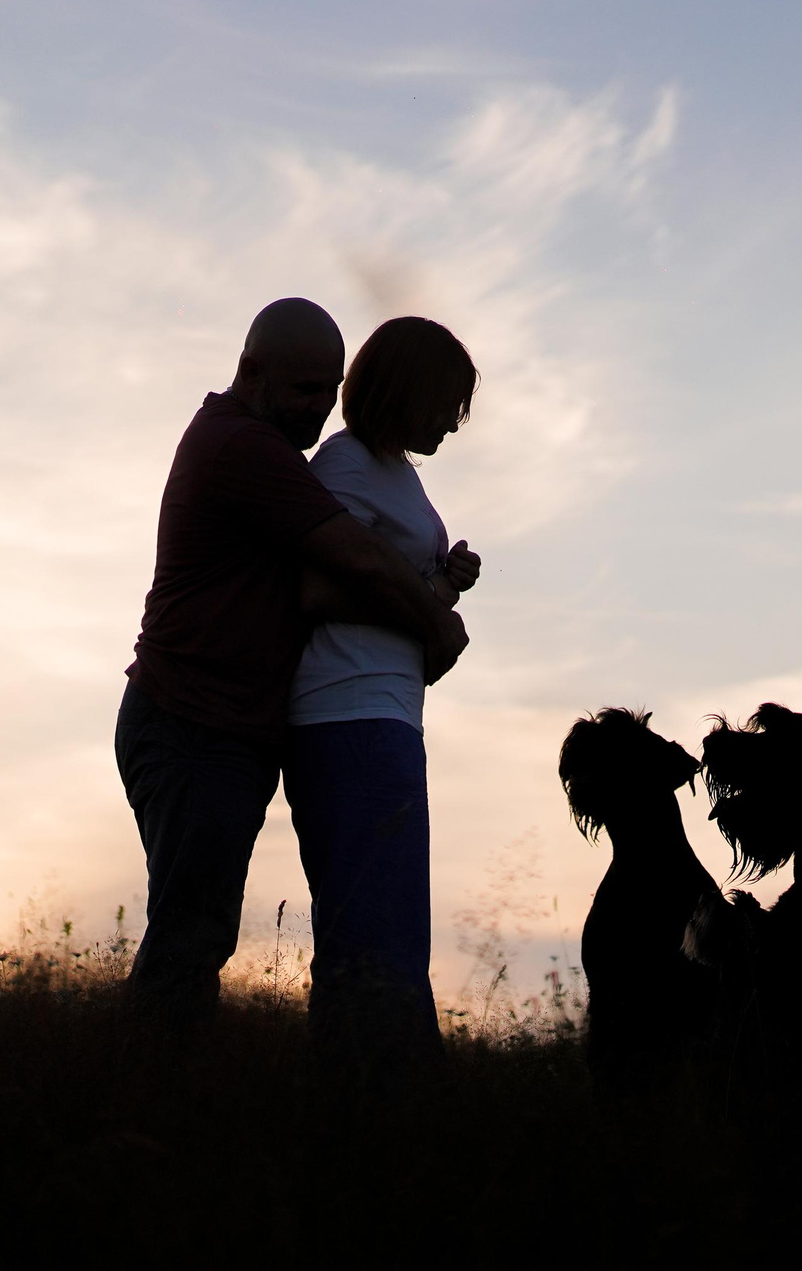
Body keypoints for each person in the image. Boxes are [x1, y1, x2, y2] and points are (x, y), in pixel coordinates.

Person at [115, 298, 468, 1023]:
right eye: (305, 390)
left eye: (329, 390)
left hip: (226, 728)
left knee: (197, 932)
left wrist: (432, 596)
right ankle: (143, 1106)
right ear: (251, 370)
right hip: (191, 723)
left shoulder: (266, 448)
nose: (319, 410)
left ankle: (158, 1097)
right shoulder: (244, 447)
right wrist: (436, 618)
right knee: (189, 937)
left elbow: (359, 564)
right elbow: (351, 559)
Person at [284, 317, 482, 1076]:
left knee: (393, 930)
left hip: (387, 714)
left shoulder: (395, 469)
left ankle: (385, 1104)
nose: (452, 423)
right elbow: (315, 585)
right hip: (347, 712)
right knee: (372, 934)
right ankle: (371, 1107)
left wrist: (440, 585)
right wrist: (430, 612)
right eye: (447, 404)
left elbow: (388, 580)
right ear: (407, 390)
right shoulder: (345, 463)